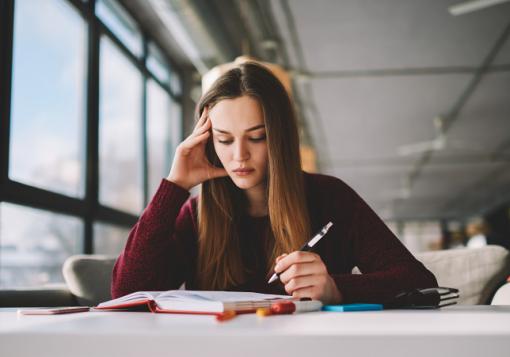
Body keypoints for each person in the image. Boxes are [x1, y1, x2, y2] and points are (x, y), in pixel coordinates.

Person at [111, 62, 437, 304]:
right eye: (224, 140)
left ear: (278, 139)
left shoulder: (331, 198)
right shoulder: (196, 215)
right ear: (208, 141)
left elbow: (424, 287)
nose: (239, 155)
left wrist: (337, 289)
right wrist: (175, 185)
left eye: (257, 137)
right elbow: (126, 295)